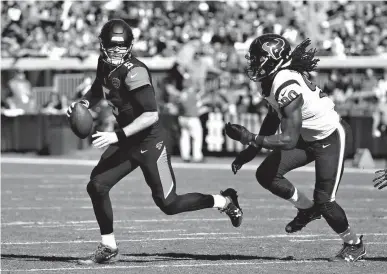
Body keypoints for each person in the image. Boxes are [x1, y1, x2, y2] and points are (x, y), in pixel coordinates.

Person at [66, 19, 243, 265]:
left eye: (121, 47)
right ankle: (108, 246)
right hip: (128, 140)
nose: (116, 52)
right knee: (97, 185)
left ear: (129, 46)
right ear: (102, 45)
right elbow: (99, 88)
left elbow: (151, 115)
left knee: (169, 204)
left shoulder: (135, 71)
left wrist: (116, 135)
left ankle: (224, 200)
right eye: (112, 47)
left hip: (149, 142)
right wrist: (83, 104)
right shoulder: (103, 63)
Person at [224, 34, 365, 262]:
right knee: (266, 174)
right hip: (306, 136)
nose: (253, 62)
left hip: (330, 136)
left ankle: (354, 244)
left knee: (325, 201)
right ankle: (307, 209)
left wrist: (250, 137)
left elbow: (288, 139)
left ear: (272, 59)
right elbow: (273, 116)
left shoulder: (285, 83)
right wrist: (250, 150)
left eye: (258, 57)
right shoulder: (271, 80)